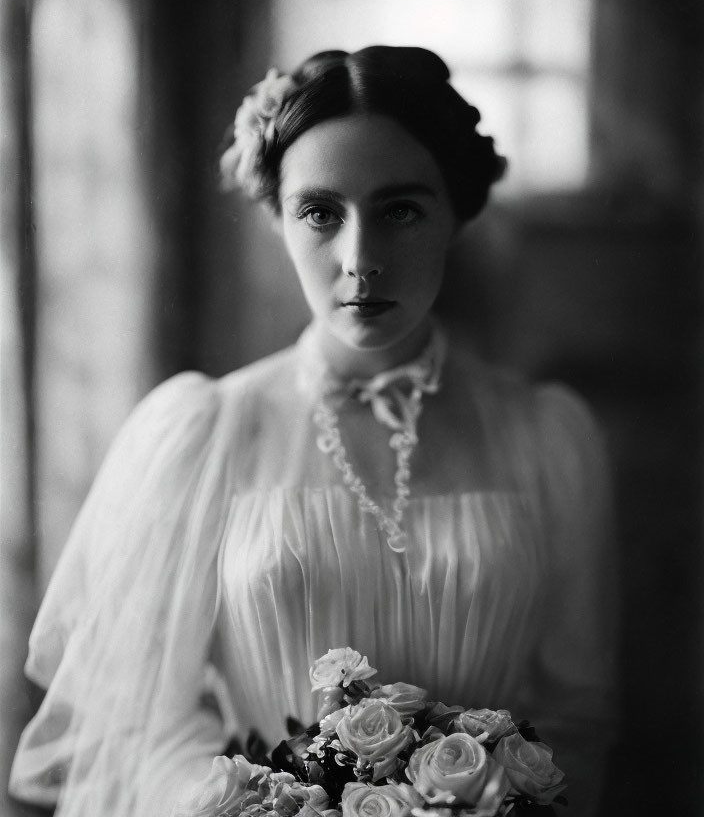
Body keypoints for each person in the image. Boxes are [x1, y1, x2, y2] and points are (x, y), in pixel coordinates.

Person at [9, 46, 617, 817]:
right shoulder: (205, 433)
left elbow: (577, 717)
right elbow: (141, 725)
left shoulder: (550, 438)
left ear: (455, 216)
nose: (360, 260)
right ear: (277, 217)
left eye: (400, 210)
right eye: (321, 212)